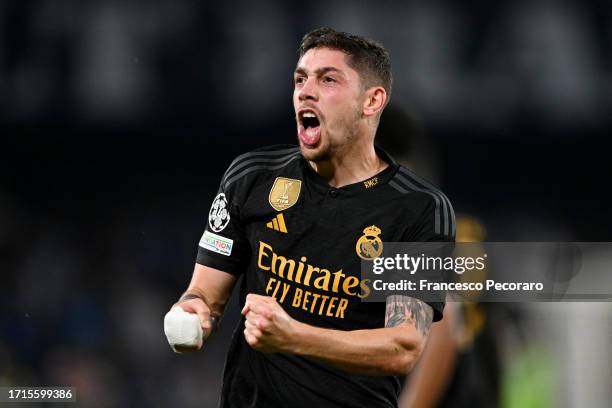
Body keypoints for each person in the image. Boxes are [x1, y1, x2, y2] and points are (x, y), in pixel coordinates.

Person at [166, 27, 455, 408]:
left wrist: (293, 335)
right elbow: (205, 293)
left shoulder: (418, 209)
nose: (306, 90)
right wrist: (193, 309)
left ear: (372, 101)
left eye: (328, 80)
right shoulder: (252, 177)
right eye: (300, 79)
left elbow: (402, 347)